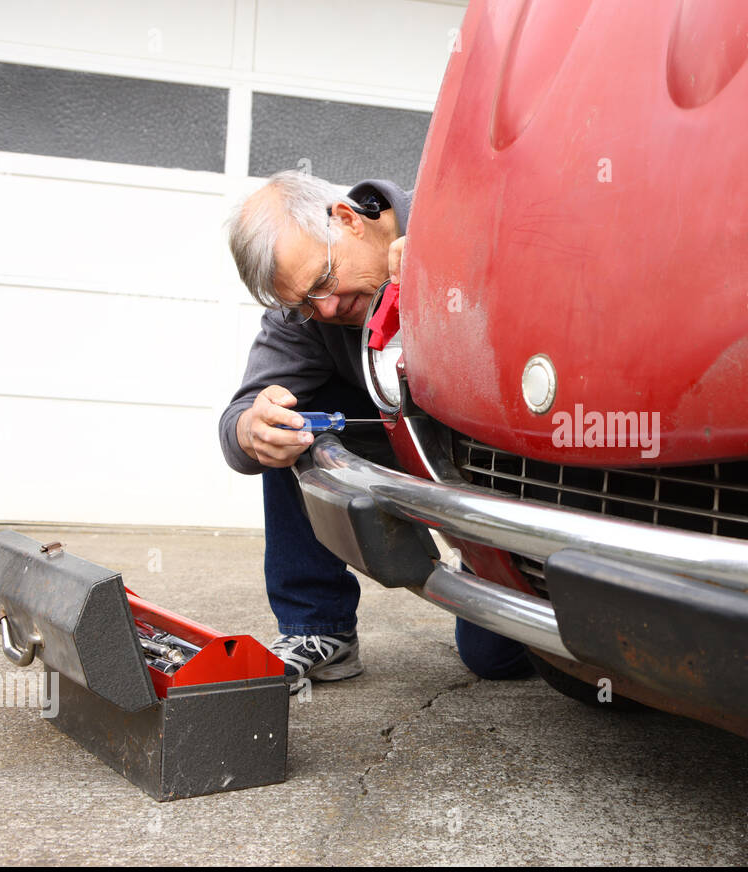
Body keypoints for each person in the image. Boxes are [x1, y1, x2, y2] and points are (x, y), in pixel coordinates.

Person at [220, 170, 533, 688]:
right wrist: (252, 428)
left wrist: (463, 260)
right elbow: (241, 417)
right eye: (302, 304)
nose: (323, 309)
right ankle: (316, 628)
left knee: (493, 659)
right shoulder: (309, 314)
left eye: (323, 282)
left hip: (506, 453)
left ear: (346, 219)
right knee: (292, 416)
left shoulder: (458, 211)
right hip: (409, 440)